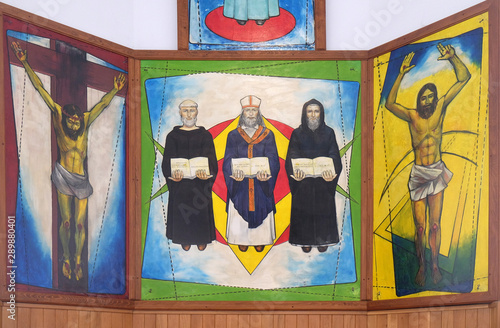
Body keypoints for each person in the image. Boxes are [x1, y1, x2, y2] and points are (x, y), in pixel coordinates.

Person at [11, 41, 126, 281]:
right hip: (63, 174)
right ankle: (66, 257)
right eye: (71, 121)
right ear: (64, 118)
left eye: (76, 121)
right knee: (66, 223)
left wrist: (115, 90)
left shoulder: (85, 120)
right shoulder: (56, 114)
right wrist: (24, 62)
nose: (75, 124)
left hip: (81, 178)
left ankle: (77, 260)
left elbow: (103, 104)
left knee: (81, 225)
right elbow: (40, 88)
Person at [385, 43, 470, 285]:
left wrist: (453, 58)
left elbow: (464, 78)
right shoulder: (412, 116)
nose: (428, 100)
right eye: (424, 97)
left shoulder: (441, 107)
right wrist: (401, 73)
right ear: (419, 100)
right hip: (419, 173)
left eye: (431, 96)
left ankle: (434, 266)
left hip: (436, 170)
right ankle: (422, 265)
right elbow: (390, 104)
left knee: (435, 225)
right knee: (420, 227)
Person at [223, 95, 280, 252]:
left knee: (261, 201)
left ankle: (260, 238)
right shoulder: (233, 135)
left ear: (258, 113)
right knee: (240, 203)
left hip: (261, 185)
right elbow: (227, 160)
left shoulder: (268, 134)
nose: (250, 114)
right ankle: (240, 238)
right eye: (247, 110)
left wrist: (266, 174)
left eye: (253, 110)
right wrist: (234, 174)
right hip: (240, 184)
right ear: (242, 113)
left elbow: (274, 160)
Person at [285, 99, 342, 253]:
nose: (313, 115)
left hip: (323, 182)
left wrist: (331, 172)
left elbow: (334, 155)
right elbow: (292, 155)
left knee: (323, 209)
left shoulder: (329, 132)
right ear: (305, 113)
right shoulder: (297, 133)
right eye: (310, 111)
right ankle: (304, 241)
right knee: (303, 210)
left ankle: (324, 240)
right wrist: (295, 171)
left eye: (316, 111)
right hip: (303, 182)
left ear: (321, 113)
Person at [161, 100, 218, 251]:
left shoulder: (205, 135)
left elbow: (212, 160)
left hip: (200, 184)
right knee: (182, 210)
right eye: (185, 110)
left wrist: (207, 174)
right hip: (181, 185)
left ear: (197, 112)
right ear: (180, 113)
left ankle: (202, 238)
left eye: (192, 110)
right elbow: (167, 162)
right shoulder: (172, 136)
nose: (189, 114)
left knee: (200, 207)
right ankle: (183, 238)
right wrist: (173, 175)